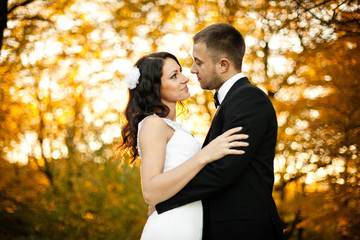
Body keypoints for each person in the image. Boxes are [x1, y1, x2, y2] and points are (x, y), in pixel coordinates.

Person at [155, 23, 285, 239]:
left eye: (199, 62)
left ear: (223, 65)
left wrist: (166, 199)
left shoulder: (249, 99)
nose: (193, 70)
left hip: (245, 230)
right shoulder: (233, 101)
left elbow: (223, 169)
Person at [119, 52, 249, 239]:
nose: (185, 78)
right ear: (155, 88)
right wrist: (204, 155)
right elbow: (150, 191)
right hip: (172, 227)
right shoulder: (153, 124)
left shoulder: (172, 127)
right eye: (174, 76)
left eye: (180, 72)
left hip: (190, 225)